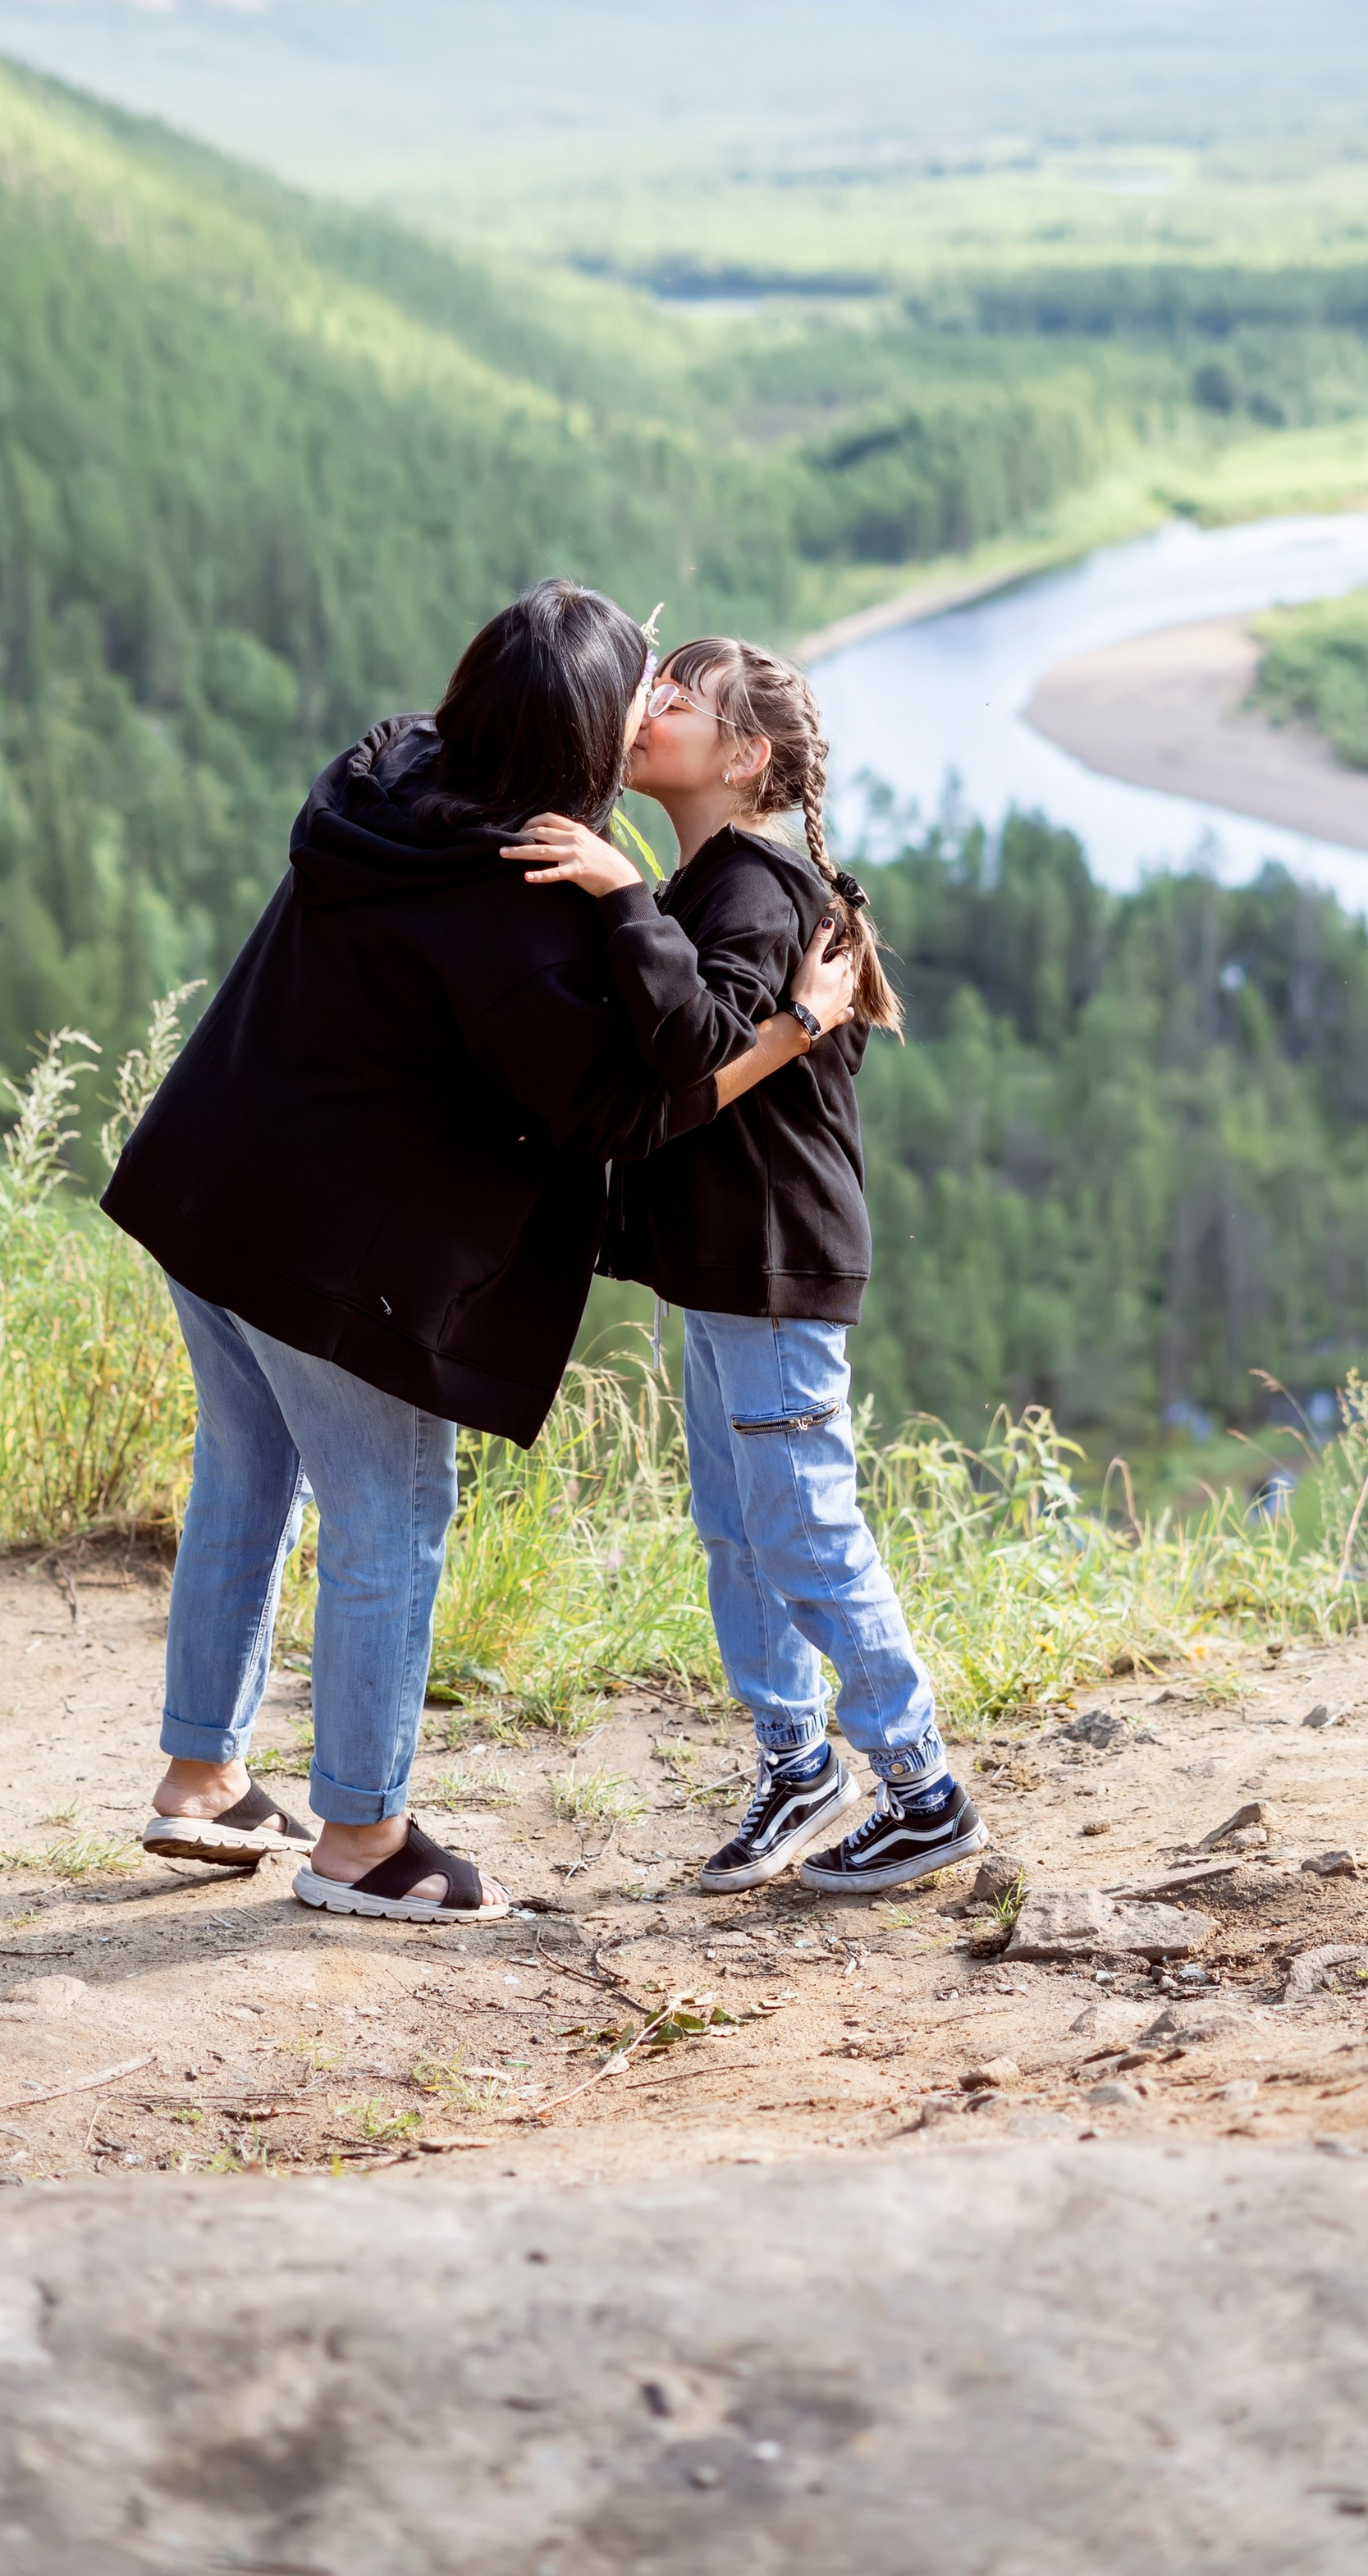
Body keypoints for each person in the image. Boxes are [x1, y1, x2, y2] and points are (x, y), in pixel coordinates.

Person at [102, 580, 856, 1922]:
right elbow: (628, 1113)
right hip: (322, 1257)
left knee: (249, 1473)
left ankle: (204, 1777)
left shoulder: (391, 772)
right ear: (573, 731)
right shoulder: (514, 905)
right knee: (391, 1516)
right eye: (638, 683)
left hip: (207, 1186)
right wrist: (792, 1029)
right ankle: (363, 1843)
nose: (654, 704)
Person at [506, 633, 986, 1895]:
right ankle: (799, 1761)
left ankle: (924, 1787)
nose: (648, 700)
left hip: (775, 1266)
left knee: (806, 1527)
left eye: (680, 695)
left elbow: (691, 1045)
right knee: (741, 1530)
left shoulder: (757, 886)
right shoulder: (715, 875)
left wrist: (616, 890)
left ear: (745, 754)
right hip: (726, 1269)